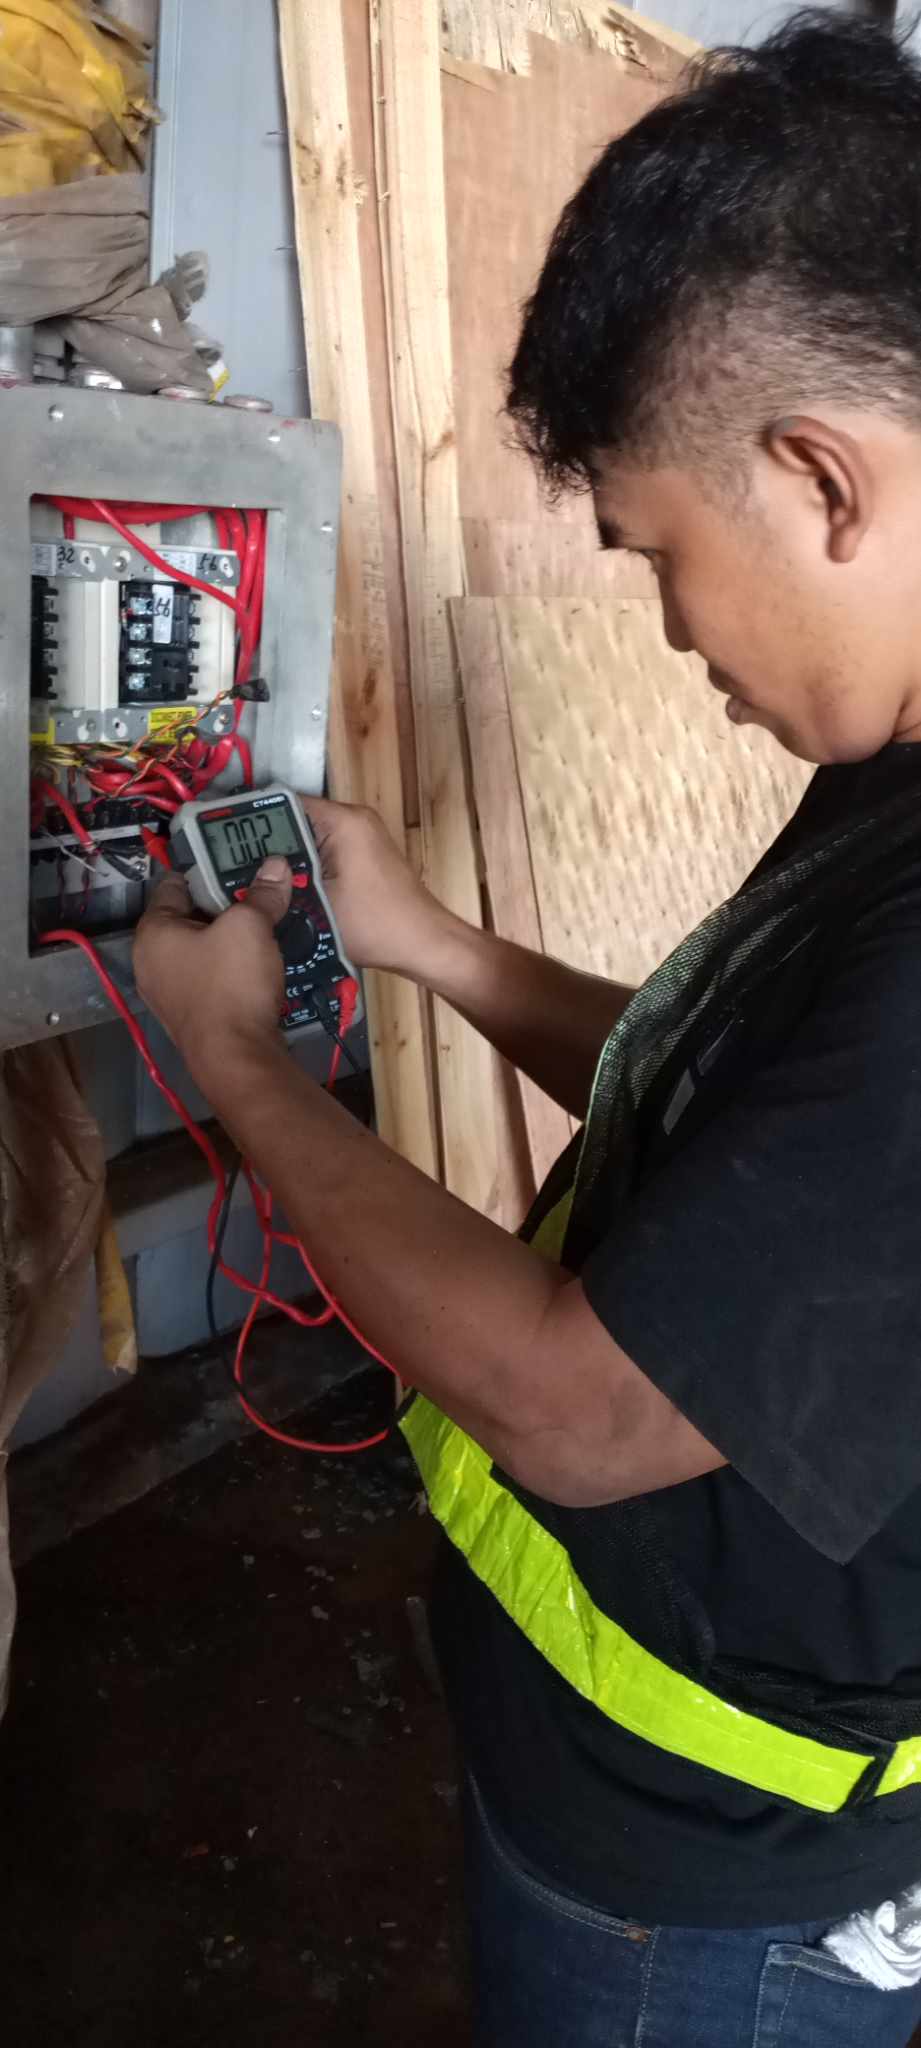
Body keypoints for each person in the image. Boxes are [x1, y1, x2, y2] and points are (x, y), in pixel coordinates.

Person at [134, 13, 921, 2044]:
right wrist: (431, 945)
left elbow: (579, 1409)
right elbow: (747, 1134)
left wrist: (237, 1069)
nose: (675, 635)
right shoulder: (888, 771)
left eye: (663, 558)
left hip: (706, 1899)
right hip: (622, 1781)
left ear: (819, 477)